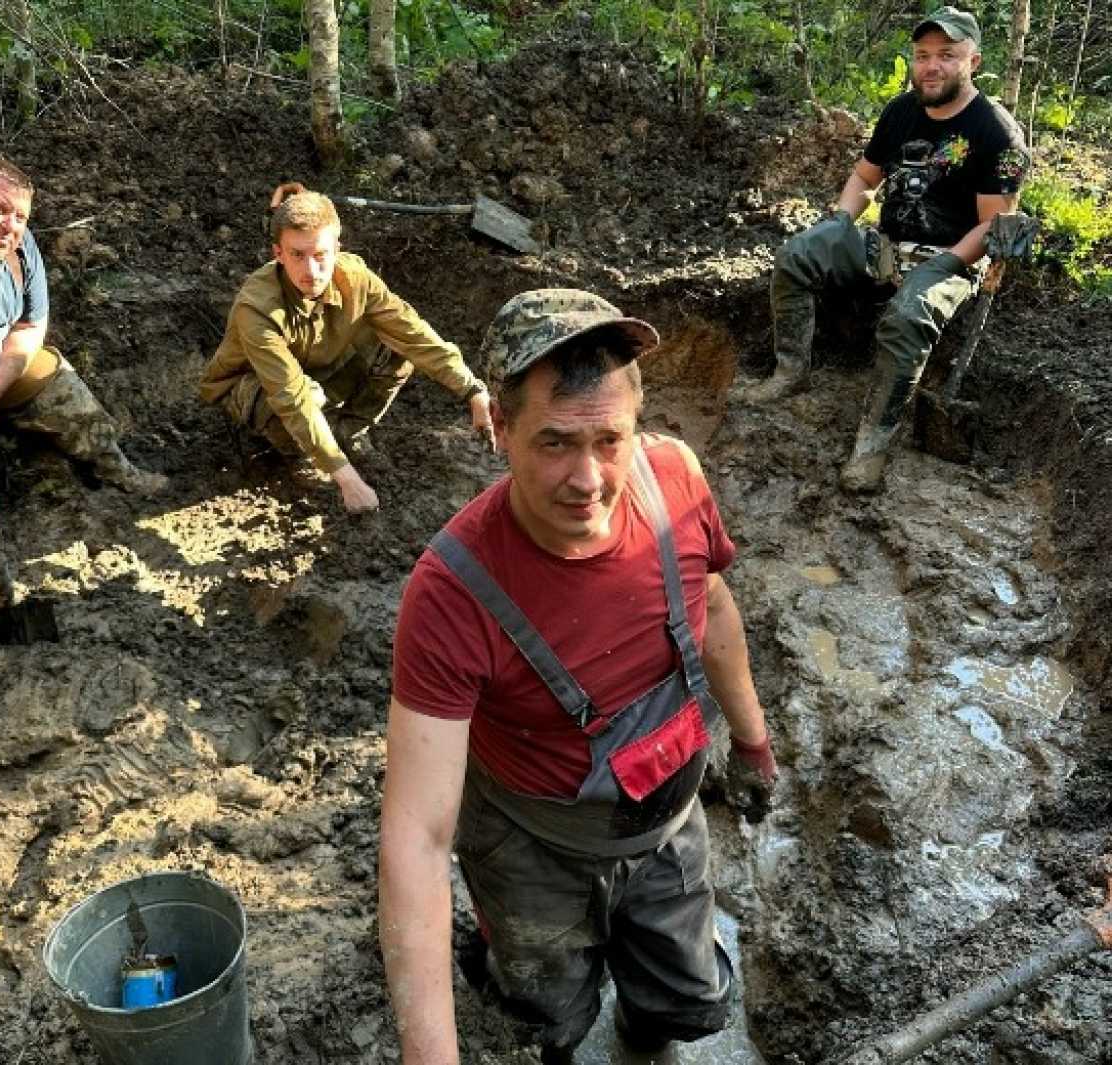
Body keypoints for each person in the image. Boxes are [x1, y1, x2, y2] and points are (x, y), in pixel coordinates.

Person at [378, 289, 779, 1064]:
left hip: (666, 820)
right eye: (556, 443)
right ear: (500, 427)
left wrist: (754, 738)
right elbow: (417, 837)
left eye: (610, 440)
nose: (589, 479)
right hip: (532, 843)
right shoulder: (452, 592)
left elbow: (717, 610)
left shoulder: (674, 481)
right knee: (546, 1012)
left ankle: (643, 1034)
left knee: (688, 1001)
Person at [748, 6, 1030, 492]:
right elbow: (864, 176)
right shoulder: (900, 112)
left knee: (905, 317)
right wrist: (840, 220)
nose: (931, 66)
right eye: (922, 55)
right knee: (799, 254)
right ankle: (790, 369)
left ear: (974, 61)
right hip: (884, 243)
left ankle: (872, 445)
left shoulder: (996, 132)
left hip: (951, 257)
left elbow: (992, 225)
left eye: (947, 55)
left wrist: (942, 264)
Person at [199, 183, 493, 513]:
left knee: (395, 350)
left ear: (337, 249)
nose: (311, 271)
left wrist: (473, 391)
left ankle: (343, 433)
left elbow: (413, 334)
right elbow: (291, 396)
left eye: (321, 255)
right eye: (297, 255)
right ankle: (306, 454)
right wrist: (347, 478)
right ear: (278, 254)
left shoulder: (355, 278)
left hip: (320, 370)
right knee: (307, 399)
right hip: (252, 385)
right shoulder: (257, 309)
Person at [0, 155, 167, 511]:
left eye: (20, 217)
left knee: (50, 371)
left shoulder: (20, 249)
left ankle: (115, 468)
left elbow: (30, 327)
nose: (10, 227)